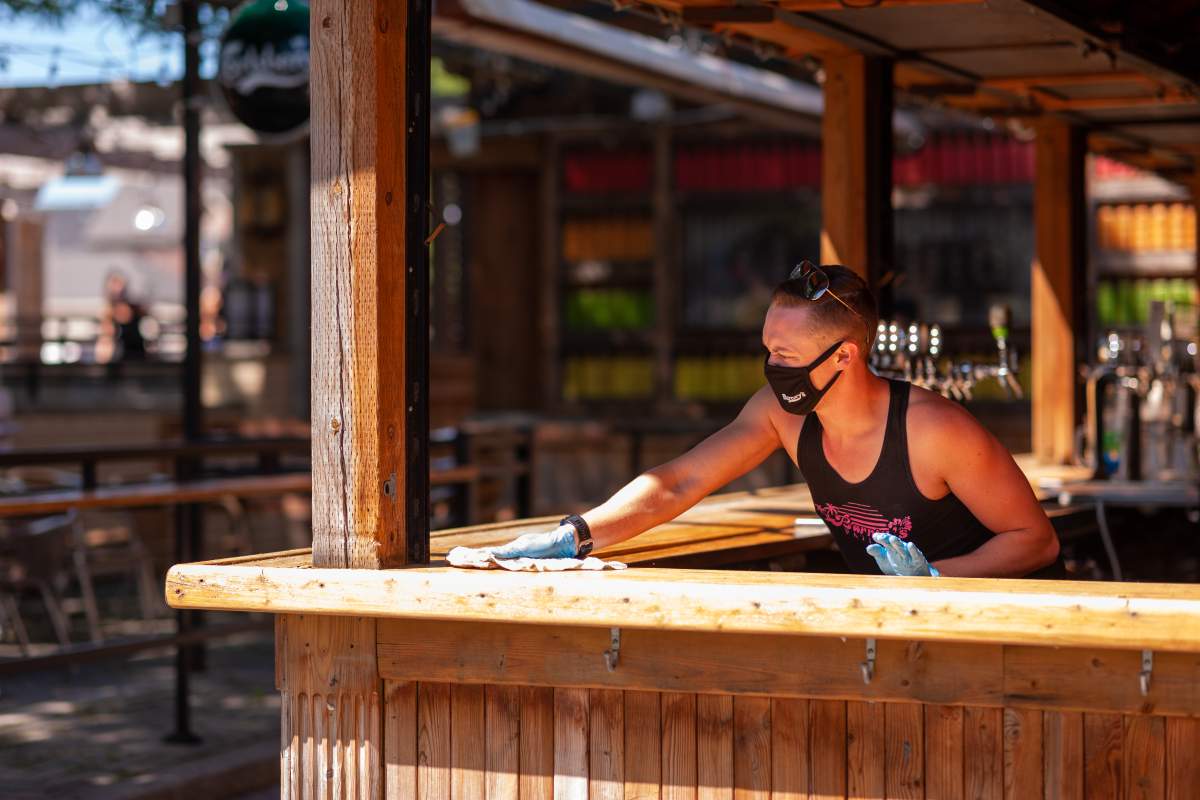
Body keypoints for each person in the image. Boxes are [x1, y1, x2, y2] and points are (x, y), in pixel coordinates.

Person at [486, 262, 1062, 579]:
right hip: (897, 626)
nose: (770, 367)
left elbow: (1036, 542)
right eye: (767, 348)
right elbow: (680, 483)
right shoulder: (781, 415)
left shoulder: (935, 430)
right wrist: (576, 535)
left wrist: (937, 579)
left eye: (785, 356)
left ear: (844, 356)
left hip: (997, 624)